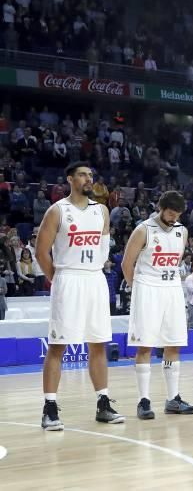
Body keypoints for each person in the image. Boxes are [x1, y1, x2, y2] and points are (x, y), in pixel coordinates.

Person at [35, 161, 124, 430]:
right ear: (70, 179)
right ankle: (49, 408)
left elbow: (103, 250)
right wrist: (59, 279)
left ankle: (103, 403)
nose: (89, 179)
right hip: (69, 278)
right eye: (83, 175)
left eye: (91, 175)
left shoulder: (102, 212)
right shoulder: (57, 211)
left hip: (95, 278)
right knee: (58, 345)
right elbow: (41, 253)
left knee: (98, 343)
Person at [121, 190, 193, 420]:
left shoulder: (182, 231)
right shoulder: (143, 229)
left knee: (173, 344)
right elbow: (127, 263)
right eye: (170, 213)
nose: (174, 218)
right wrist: (137, 288)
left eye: (177, 214)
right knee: (145, 346)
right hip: (148, 288)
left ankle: (173, 399)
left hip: (172, 288)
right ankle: (143, 401)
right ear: (160, 208)